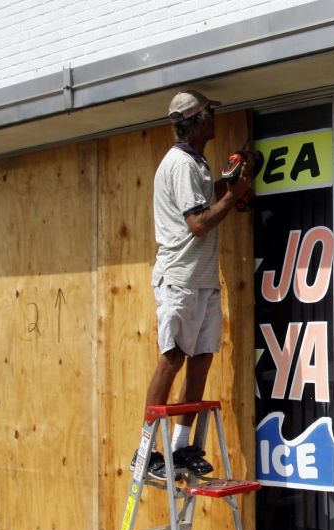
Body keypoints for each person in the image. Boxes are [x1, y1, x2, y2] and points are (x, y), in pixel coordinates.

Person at [132, 89, 254, 480]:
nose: (215, 118)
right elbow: (199, 223)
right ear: (197, 120)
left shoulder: (196, 164)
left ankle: (181, 447)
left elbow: (204, 202)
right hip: (181, 279)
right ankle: (145, 451)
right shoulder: (181, 164)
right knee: (172, 358)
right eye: (211, 113)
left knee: (200, 357)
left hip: (201, 280)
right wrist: (233, 194)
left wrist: (229, 182)